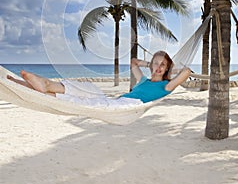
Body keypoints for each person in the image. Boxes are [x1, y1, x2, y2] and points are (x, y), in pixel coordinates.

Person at [7, 50, 191, 107]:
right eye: (156, 64)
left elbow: (187, 72)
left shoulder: (166, 86)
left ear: (167, 68)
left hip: (124, 107)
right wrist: (149, 62)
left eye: (162, 65)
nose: (158, 68)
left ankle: (43, 84)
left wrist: (169, 68)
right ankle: (31, 84)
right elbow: (133, 62)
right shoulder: (143, 81)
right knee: (87, 89)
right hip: (112, 101)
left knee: (79, 99)